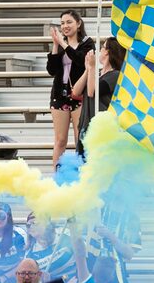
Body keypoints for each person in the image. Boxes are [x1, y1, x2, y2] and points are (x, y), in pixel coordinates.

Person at [46, 9, 94, 168]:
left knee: (79, 138)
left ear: (78, 24)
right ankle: (56, 175)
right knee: (60, 140)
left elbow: (81, 61)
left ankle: (82, 175)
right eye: (62, 23)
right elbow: (51, 70)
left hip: (79, 96)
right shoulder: (60, 43)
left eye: (69, 22)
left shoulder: (87, 42)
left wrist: (63, 44)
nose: (65, 26)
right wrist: (55, 45)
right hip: (59, 95)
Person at [72, 36, 125, 157]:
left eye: (102, 47)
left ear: (107, 51)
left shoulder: (115, 74)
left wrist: (92, 68)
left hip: (101, 129)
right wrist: (87, 69)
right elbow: (76, 91)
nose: (99, 50)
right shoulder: (97, 74)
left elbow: (92, 92)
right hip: (86, 124)